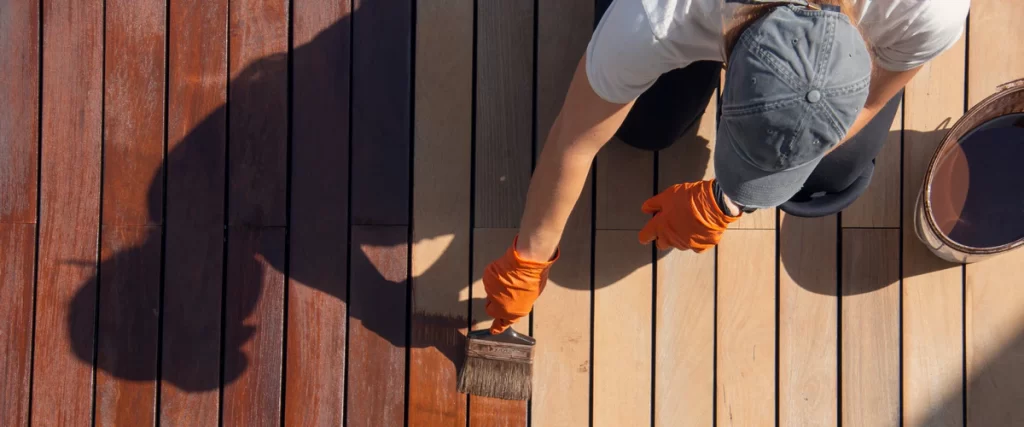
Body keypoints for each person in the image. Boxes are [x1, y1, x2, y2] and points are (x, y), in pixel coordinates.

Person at [481, 0, 971, 335]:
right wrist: (528, 260)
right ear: (731, 66)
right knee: (644, 127)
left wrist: (728, 198)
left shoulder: (928, 11)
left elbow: (874, 96)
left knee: (827, 180)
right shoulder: (658, 17)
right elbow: (575, 136)